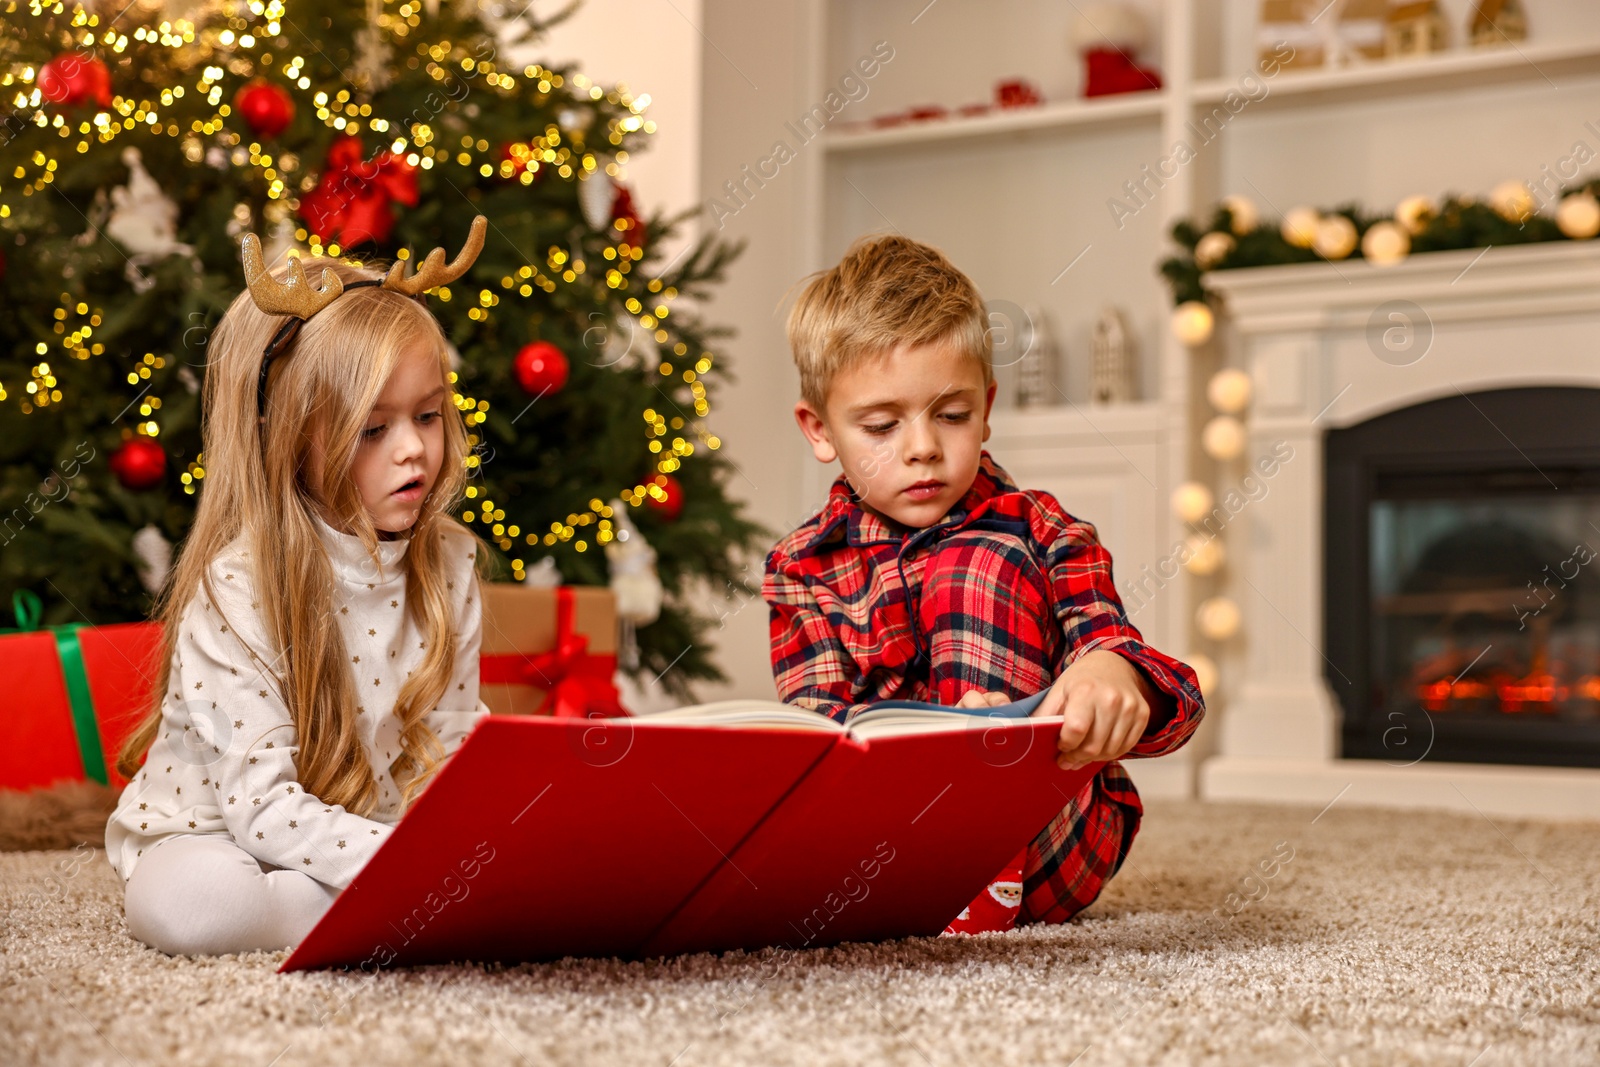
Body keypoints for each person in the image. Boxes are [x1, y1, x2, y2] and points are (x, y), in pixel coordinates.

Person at [764, 234, 1206, 934]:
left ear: (987, 406)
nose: (922, 447)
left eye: (952, 414)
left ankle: (980, 883)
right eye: (881, 425)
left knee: (979, 564)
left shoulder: (1047, 530)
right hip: (889, 844)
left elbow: (1165, 689)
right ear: (820, 430)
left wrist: (1114, 673)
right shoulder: (801, 565)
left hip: (1047, 838)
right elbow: (819, 742)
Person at [104, 218, 494, 955]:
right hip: (217, 832)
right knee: (195, 904)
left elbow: (449, 742)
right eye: (373, 429)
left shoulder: (449, 565)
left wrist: (464, 839)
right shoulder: (238, 586)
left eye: (429, 415)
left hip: (366, 833)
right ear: (293, 436)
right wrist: (415, 865)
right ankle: (359, 901)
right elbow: (259, 810)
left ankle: (370, 893)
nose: (413, 447)